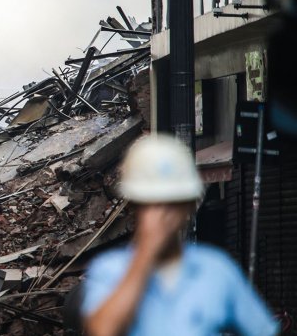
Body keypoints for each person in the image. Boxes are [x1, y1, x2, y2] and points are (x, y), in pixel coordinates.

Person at [81, 135, 278, 336]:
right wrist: (145, 256)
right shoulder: (110, 270)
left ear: (187, 207)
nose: (163, 214)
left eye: (172, 203)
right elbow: (102, 329)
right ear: (135, 207)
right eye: (151, 203)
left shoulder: (216, 269)